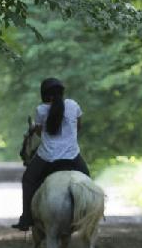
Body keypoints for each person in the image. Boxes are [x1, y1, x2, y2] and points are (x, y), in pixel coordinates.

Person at [12, 78, 90, 231]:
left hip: (47, 158)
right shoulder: (73, 105)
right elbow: (78, 126)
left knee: (28, 180)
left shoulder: (41, 110)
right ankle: (92, 212)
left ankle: (26, 218)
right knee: (87, 179)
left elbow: (41, 133)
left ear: (44, 94)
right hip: (72, 156)